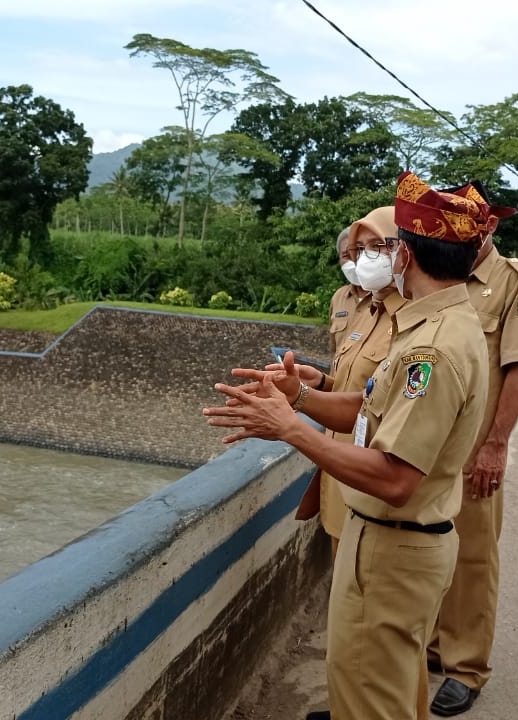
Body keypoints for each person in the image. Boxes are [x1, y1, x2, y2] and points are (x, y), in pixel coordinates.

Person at [204, 170, 490, 720]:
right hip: (397, 545)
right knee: (380, 690)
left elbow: (395, 477)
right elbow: (371, 407)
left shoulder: (432, 349)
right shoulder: (440, 324)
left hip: (393, 548)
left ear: (406, 255)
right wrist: (300, 398)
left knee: (367, 699)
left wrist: (290, 429)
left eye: (388, 248)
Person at [428, 182, 518, 717]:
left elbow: (517, 368)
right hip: (428, 444)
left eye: (468, 222)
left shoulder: (516, 283)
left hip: (474, 449)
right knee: (428, 544)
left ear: (490, 225)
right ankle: (434, 643)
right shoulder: (438, 272)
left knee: (473, 556)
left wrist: (496, 445)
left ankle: (466, 667)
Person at [292, 207, 406, 557]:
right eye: (359, 250)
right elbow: (357, 384)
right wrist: (319, 384)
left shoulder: (414, 320)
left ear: (404, 249)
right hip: (341, 460)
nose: (365, 258)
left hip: (373, 471)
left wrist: (293, 415)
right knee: (341, 563)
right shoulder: (369, 311)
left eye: (377, 246)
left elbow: (385, 404)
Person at [327, 227, 370, 355]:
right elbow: (334, 350)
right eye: (346, 255)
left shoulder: (389, 297)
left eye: (359, 252)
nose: (354, 260)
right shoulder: (338, 297)